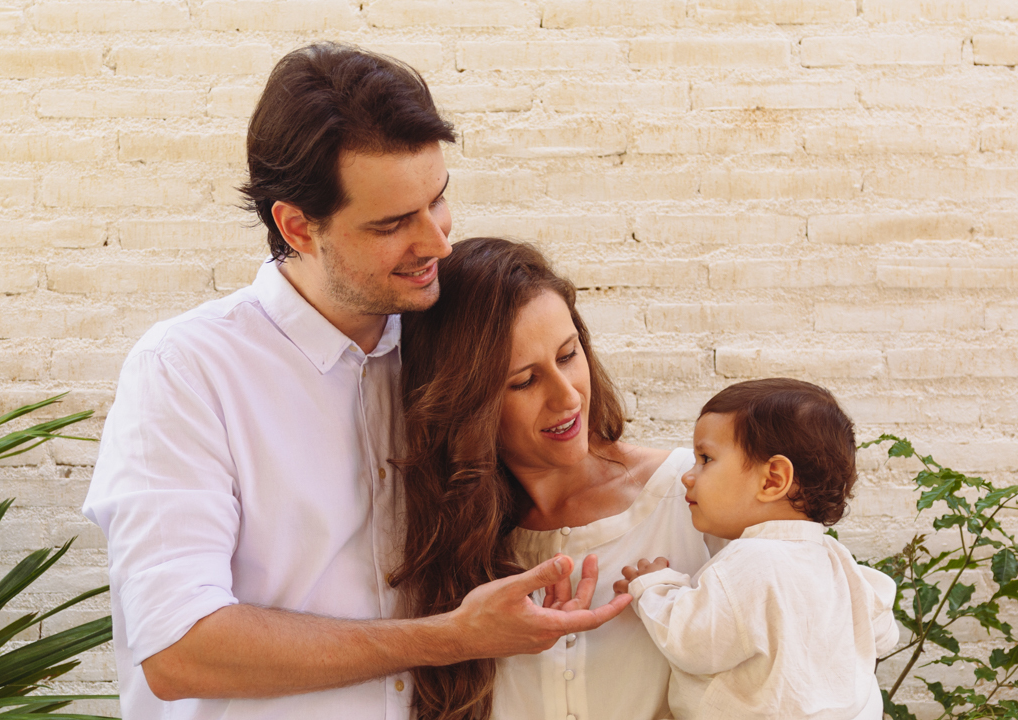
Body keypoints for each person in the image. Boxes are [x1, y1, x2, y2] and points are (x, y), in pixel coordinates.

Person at [82, 44, 628, 720]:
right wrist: (447, 639)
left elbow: (563, 464)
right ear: (297, 227)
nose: (437, 243)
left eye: (438, 200)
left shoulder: (451, 344)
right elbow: (179, 650)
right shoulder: (188, 372)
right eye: (394, 224)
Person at [394, 237, 722, 720]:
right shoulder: (441, 539)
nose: (567, 397)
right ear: (465, 406)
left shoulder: (696, 497)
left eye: (568, 355)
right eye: (525, 381)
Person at [615, 378, 899, 719]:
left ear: (772, 480)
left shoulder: (753, 560)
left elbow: (691, 640)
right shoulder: (834, 559)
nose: (687, 476)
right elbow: (883, 634)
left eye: (705, 458)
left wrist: (655, 587)